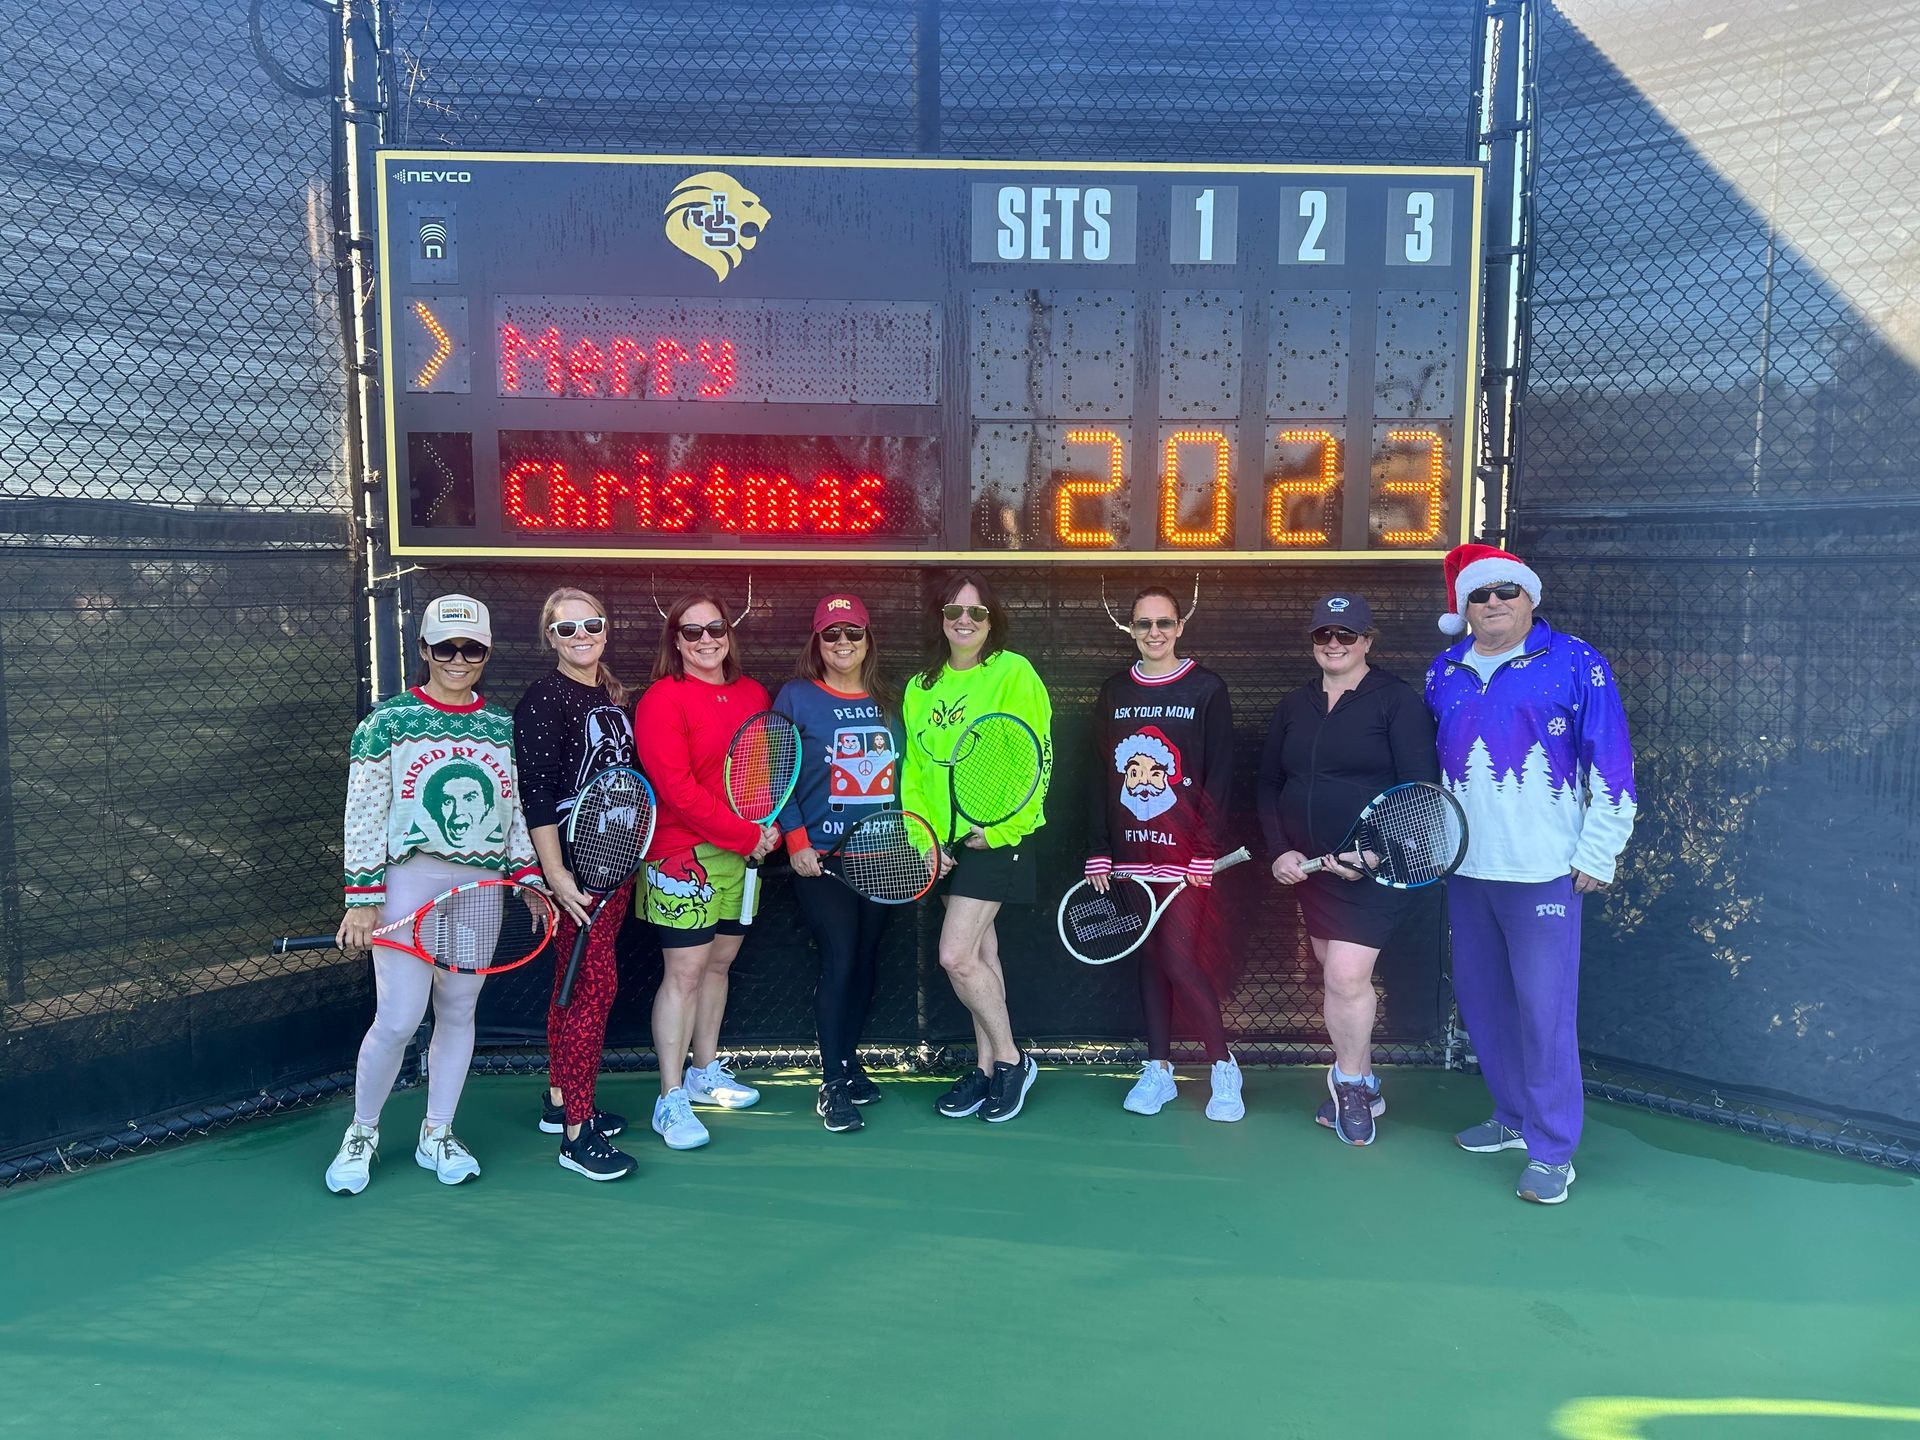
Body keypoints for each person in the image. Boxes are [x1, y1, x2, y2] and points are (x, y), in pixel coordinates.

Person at [1426, 543, 1636, 1205]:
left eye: (1506, 592)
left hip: (1545, 873)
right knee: (1485, 1001)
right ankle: (1512, 1117)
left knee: (1544, 1014)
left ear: (1530, 598)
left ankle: (1553, 1151)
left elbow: (1613, 763)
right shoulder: (1444, 670)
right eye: (1480, 595)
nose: (1493, 604)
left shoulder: (1577, 663)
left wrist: (1598, 851)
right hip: (1468, 871)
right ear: (1463, 607)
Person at [325, 594, 543, 1194]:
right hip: (407, 885)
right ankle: (362, 1133)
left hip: (481, 888)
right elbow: (364, 811)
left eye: (471, 648)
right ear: (424, 651)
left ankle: (438, 1131)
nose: (458, 659)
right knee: (397, 1019)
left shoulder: (501, 726)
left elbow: (515, 808)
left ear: (487, 653)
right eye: (445, 647)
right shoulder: (387, 722)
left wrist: (525, 875)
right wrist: (363, 896)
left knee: (459, 1009)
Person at [1257, 592, 1438, 1148]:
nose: (1334, 644)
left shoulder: (1395, 701)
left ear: (1367, 641)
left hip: (1376, 873)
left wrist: (1374, 854)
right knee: (1335, 977)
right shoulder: (1294, 705)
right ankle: (1360, 1079)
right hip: (1314, 874)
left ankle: (1352, 1085)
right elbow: (1268, 786)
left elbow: (1421, 792)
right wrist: (1280, 850)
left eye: (1346, 635)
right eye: (1324, 635)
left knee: (1345, 976)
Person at [1083, 584, 1242, 1120]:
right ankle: (1159, 1069)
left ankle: (1223, 1067)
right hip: (1129, 857)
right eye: (1144, 624)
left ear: (1180, 627)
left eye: (1164, 623)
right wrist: (1099, 848)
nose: (1155, 633)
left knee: (1177, 957)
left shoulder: (1206, 687)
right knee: (1150, 962)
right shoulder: (1113, 692)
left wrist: (1205, 848)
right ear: (1130, 629)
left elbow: (1219, 774)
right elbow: (1098, 778)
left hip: (1184, 860)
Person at [901, 572, 1052, 1124]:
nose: (964, 621)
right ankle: (988, 1070)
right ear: (939, 619)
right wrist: (926, 839)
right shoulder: (922, 686)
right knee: (983, 956)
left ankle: (1013, 1060)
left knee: (955, 956)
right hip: (943, 846)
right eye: (953, 611)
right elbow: (915, 771)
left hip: (996, 839)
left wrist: (1005, 828)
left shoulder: (1013, 673)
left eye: (977, 613)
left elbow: (1040, 758)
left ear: (992, 620)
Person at [632, 593, 777, 1151]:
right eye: (691, 633)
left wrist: (768, 832)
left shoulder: (753, 695)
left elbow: (762, 773)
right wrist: (745, 835)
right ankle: (670, 1097)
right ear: (676, 643)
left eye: (715, 628)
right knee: (686, 973)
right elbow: (677, 791)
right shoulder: (661, 701)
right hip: (680, 856)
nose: (706, 640)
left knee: (719, 965)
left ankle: (703, 1072)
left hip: (741, 855)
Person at [512, 587, 639, 1182]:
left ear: (606, 629)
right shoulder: (543, 696)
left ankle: (562, 1099)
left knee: (577, 986)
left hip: (614, 865)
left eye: (592, 624)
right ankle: (576, 1134)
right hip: (577, 874)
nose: (581, 635)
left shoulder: (611, 697)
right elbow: (534, 790)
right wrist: (556, 874)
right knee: (590, 988)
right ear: (551, 638)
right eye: (567, 630)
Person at [773, 593, 904, 1134]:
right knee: (841, 959)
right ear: (817, 642)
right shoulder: (796, 697)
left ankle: (849, 1064)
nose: (843, 643)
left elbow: (909, 780)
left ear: (868, 640)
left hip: (883, 856)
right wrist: (796, 840)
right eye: (832, 634)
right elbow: (775, 770)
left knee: (868, 960)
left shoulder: (891, 700)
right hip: (822, 860)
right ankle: (831, 1083)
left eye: (853, 633)